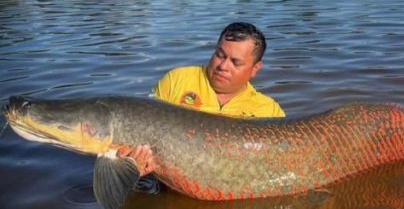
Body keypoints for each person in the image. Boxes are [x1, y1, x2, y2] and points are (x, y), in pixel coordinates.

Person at [121, 22, 286, 176]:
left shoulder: (269, 111)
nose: (223, 66)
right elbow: (138, 130)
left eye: (235, 63)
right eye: (220, 55)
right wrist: (131, 165)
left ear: (255, 68)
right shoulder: (176, 81)